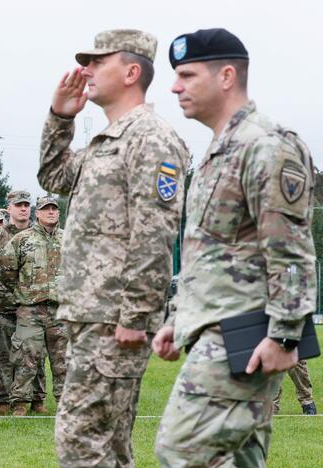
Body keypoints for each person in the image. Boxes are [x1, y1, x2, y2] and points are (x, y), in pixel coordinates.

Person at [153, 28, 316, 466]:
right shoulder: (217, 151)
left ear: (226, 76)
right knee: (239, 459)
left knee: (181, 451)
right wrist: (180, 318)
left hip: (243, 335)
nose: (174, 86)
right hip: (215, 329)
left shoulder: (265, 145)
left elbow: (292, 250)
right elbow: (212, 252)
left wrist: (284, 334)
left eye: (186, 75)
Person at [38, 29, 189, 466]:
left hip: (113, 319)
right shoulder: (105, 142)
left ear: (131, 71)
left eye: (97, 61)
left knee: (81, 442)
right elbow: (53, 178)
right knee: (109, 445)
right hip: (90, 312)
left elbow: (154, 233)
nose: (85, 70)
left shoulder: (151, 139)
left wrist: (136, 317)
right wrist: (60, 117)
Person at [0, 196, 67, 416]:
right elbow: (7, 271)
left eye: (54, 209)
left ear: (58, 213)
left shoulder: (69, 239)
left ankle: (67, 406)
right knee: (25, 359)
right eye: (46, 209)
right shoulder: (22, 239)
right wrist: (25, 293)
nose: (50, 213)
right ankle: (19, 404)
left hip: (60, 310)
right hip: (30, 310)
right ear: (37, 213)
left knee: (63, 361)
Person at [0, 190, 47, 415]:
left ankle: (36, 399)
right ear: (8, 208)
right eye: (18, 205)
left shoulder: (39, 234)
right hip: (3, 307)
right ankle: (3, 400)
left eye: (26, 204)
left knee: (35, 355)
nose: (23, 208)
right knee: (3, 355)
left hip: (33, 307)